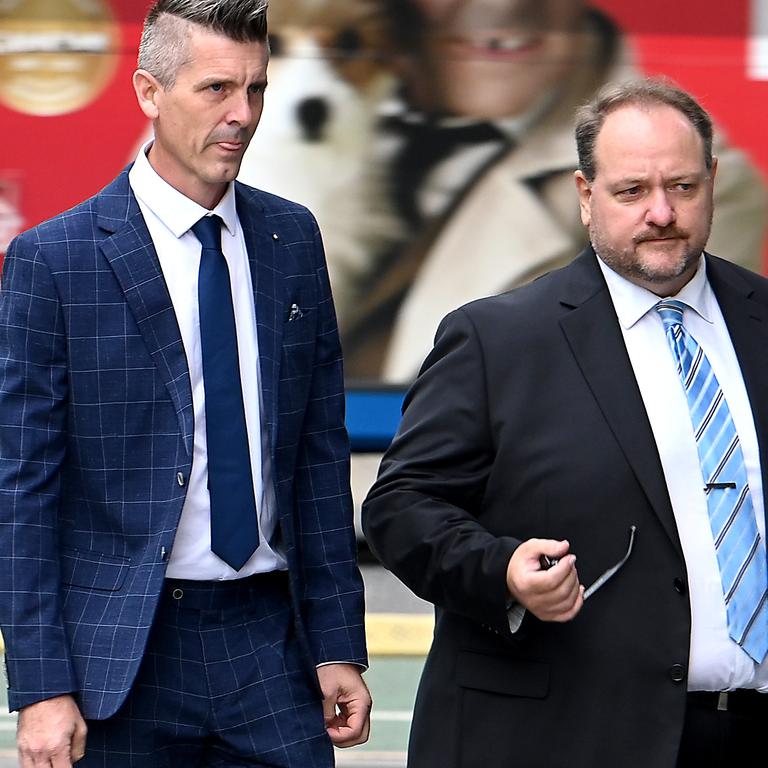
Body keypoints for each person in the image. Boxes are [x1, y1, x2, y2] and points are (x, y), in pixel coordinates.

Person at [0, 1, 370, 766]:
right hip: (123, 658)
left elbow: (317, 457)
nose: (244, 115)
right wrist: (40, 686)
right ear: (148, 93)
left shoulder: (291, 237)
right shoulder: (54, 260)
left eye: (257, 88)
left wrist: (339, 643)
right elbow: (21, 489)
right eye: (216, 89)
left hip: (272, 643)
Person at [362, 77, 768, 767]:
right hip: (572, 739)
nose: (661, 212)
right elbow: (400, 507)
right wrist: (502, 571)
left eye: (683, 187)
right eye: (631, 191)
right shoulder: (498, 339)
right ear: (585, 197)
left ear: (713, 182)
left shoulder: (761, 319)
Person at [340, 0, 767, 381]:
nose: (504, 6)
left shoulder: (717, 188)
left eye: (682, 187)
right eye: (633, 190)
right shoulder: (335, 118)